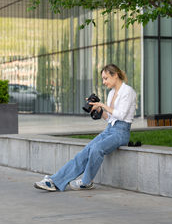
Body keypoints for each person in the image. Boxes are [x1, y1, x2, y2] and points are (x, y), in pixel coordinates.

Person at [34, 63, 136, 192]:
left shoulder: (128, 91)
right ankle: (54, 181)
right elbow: (110, 119)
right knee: (85, 151)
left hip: (121, 132)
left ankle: (86, 182)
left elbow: (121, 115)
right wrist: (98, 109)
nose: (104, 82)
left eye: (105, 78)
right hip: (110, 129)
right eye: (103, 79)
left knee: (96, 148)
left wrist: (103, 105)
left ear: (115, 75)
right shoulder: (111, 93)